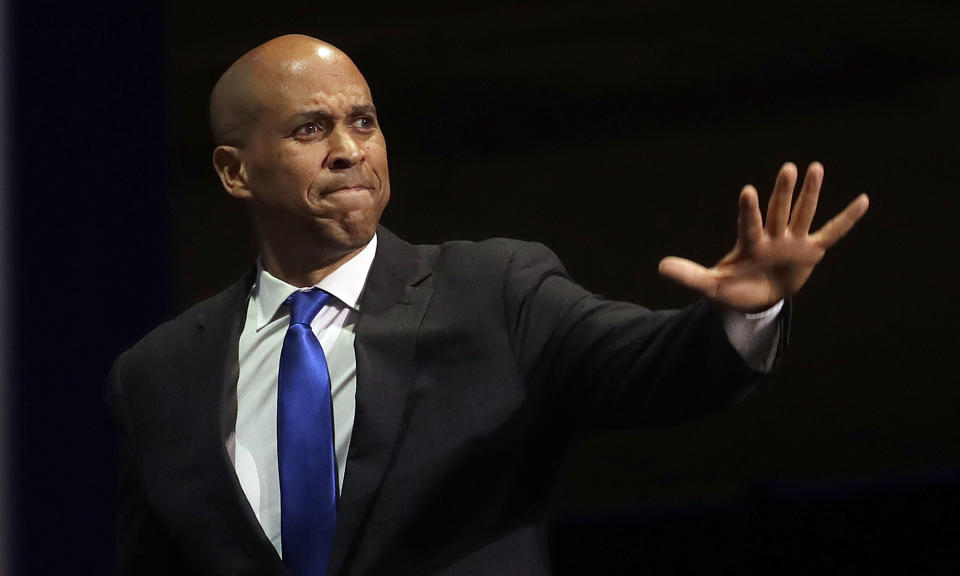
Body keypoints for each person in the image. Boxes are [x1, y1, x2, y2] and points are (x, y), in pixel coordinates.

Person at [107, 34, 869, 576]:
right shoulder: (160, 373)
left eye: (363, 122)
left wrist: (743, 315)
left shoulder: (491, 289)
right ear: (236, 172)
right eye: (312, 129)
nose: (350, 149)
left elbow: (650, 368)